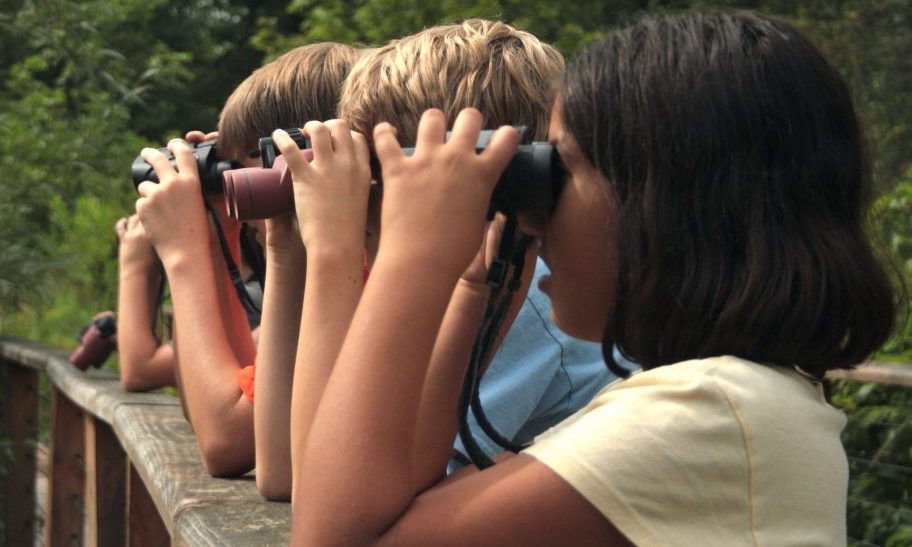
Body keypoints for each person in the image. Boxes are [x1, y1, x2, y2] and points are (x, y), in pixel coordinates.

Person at [292, 11, 898, 545]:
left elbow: (334, 536)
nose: (532, 215)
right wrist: (471, 291)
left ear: (662, 204)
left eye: (563, 168)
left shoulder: (709, 410)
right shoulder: (720, 400)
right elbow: (403, 497)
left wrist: (409, 257)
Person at [278, 19, 620, 495]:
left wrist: (330, 250)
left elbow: (319, 492)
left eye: (375, 167)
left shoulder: (534, 298)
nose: (357, 189)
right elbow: (283, 473)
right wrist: (282, 247)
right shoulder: (471, 280)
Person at [132, 42, 361, 481]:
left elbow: (229, 438)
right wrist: (218, 235)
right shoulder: (326, 262)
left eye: (246, 165)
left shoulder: (357, 266)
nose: (235, 187)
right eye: (227, 170)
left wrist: (185, 255)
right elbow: (236, 398)